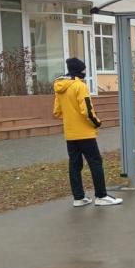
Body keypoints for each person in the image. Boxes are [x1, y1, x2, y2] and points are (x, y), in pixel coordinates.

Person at [53, 58, 123, 207]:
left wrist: (70, 117)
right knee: (95, 162)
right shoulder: (80, 86)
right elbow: (87, 110)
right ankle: (101, 196)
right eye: (84, 70)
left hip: (70, 133)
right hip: (85, 132)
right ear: (80, 71)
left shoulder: (60, 87)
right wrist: (97, 122)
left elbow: (57, 112)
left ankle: (78, 198)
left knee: (74, 165)